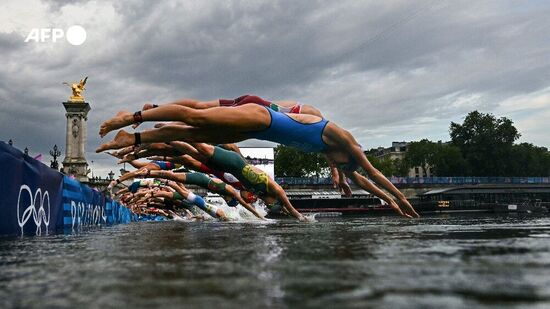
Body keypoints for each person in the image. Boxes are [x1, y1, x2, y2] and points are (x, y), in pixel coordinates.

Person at [97, 101, 418, 218]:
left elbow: (364, 181)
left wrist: (388, 202)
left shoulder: (341, 159)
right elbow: (373, 172)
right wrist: (400, 197)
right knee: (197, 121)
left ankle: (135, 137)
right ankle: (132, 119)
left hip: (262, 127)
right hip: (264, 119)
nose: (351, 172)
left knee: (195, 131)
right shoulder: (344, 139)